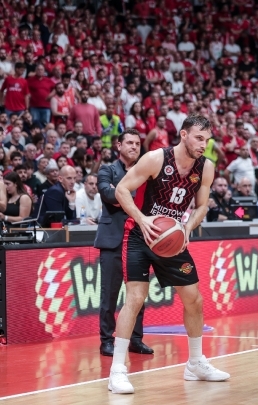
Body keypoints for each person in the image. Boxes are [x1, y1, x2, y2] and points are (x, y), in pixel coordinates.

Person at [110, 115, 230, 394]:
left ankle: (195, 363)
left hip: (171, 238)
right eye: (199, 138)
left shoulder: (205, 167)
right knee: (135, 298)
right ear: (183, 135)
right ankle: (117, 371)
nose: (203, 145)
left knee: (194, 299)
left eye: (207, 140)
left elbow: (202, 205)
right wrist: (141, 219)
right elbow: (122, 189)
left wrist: (188, 227)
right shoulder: (155, 159)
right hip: (140, 236)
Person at [95, 129, 152, 357]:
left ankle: (135, 340)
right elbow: (108, 195)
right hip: (113, 241)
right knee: (109, 295)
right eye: (129, 142)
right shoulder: (107, 170)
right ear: (119, 146)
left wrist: (122, 194)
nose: (134, 147)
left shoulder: (146, 173)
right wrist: (128, 197)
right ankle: (107, 340)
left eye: (137, 143)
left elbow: (147, 202)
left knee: (138, 295)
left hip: (138, 240)